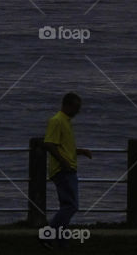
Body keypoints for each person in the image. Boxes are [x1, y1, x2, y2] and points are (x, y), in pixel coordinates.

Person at [42, 93, 92, 245]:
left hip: (68, 168)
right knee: (71, 205)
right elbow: (49, 144)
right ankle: (48, 235)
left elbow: (63, 146)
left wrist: (80, 151)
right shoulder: (57, 121)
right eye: (76, 108)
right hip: (63, 170)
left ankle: (60, 240)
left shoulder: (66, 122)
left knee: (67, 205)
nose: (78, 111)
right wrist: (63, 161)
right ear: (67, 105)